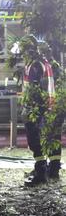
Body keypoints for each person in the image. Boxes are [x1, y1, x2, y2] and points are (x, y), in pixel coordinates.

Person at [21, 36, 55, 186]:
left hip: (35, 108)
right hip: (44, 107)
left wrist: (29, 107)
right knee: (39, 139)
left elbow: (34, 89)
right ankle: (42, 170)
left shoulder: (34, 65)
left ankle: (40, 174)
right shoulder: (43, 62)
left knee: (35, 141)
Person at [38, 41, 62, 180]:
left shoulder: (50, 67)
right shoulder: (50, 65)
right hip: (53, 106)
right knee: (51, 137)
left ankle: (54, 169)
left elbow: (48, 87)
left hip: (53, 107)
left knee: (53, 137)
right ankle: (52, 168)